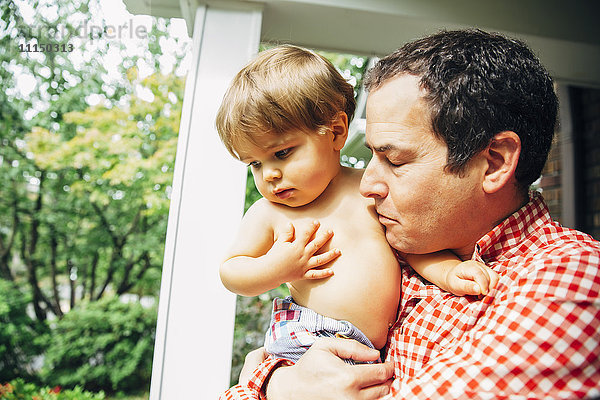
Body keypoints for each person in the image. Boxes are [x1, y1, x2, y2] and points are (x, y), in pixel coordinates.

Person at [220, 30, 600, 400]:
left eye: (394, 159)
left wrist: (260, 383)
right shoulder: (406, 241)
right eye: (370, 155)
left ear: (494, 162)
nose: (367, 185)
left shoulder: (570, 276)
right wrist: (270, 380)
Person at [215, 45, 498, 365]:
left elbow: (411, 249)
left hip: (372, 352)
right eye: (254, 164)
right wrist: (278, 267)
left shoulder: (370, 190)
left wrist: (450, 272)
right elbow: (231, 271)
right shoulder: (271, 212)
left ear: (336, 132)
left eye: (282, 153)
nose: (270, 175)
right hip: (307, 338)